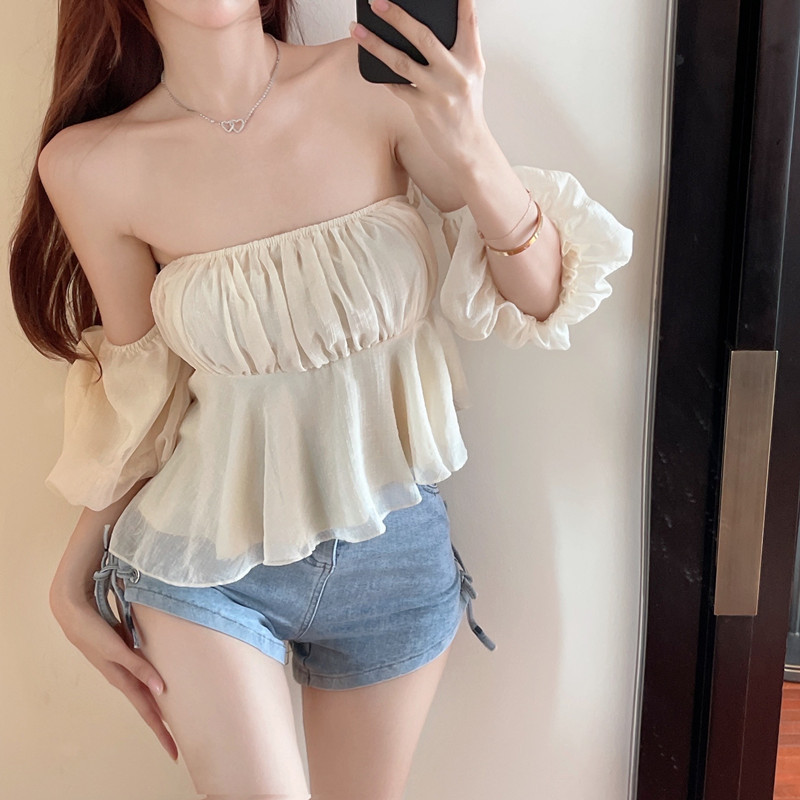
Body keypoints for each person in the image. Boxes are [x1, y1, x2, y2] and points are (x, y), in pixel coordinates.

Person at [8, 0, 634, 797]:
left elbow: (540, 296)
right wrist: (75, 572)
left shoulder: (381, 79)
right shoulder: (91, 165)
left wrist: (472, 140)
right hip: (205, 562)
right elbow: (146, 392)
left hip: (396, 560)